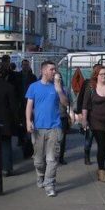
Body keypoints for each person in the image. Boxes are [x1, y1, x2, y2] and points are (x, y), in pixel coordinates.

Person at [25, 60, 67, 197]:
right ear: (43, 71)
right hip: (38, 128)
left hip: (54, 127)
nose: (54, 72)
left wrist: (59, 89)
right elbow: (29, 106)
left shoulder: (57, 87)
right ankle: (40, 175)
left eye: (55, 70)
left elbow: (65, 103)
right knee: (38, 160)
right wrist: (28, 121)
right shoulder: (33, 87)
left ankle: (50, 184)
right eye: (52, 70)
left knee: (52, 159)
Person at [82, 64, 105, 182]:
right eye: (101, 74)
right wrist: (84, 120)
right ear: (96, 75)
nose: (103, 76)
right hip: (95, 121)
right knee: (102, 145)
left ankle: (101, 162)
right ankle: (101, 171)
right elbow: (85, 105)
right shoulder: (91, 87)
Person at [74, 67, 94, 165]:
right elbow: (80, 98)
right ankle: (87, 155)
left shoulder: (104, 83)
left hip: (99, 115)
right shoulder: (87, 83)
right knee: (89, 137)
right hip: (88, 113)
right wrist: (79, 113)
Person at [55, 71, 71, 164]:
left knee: (62, 139)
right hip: (53, 117)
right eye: (57, 78)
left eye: (60, 78)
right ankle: (53, 157)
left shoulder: (66, 89)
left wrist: (70, 115)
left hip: (63, 116)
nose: (59, 80)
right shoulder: (51, 89)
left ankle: (61, 157)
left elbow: (69, 103)